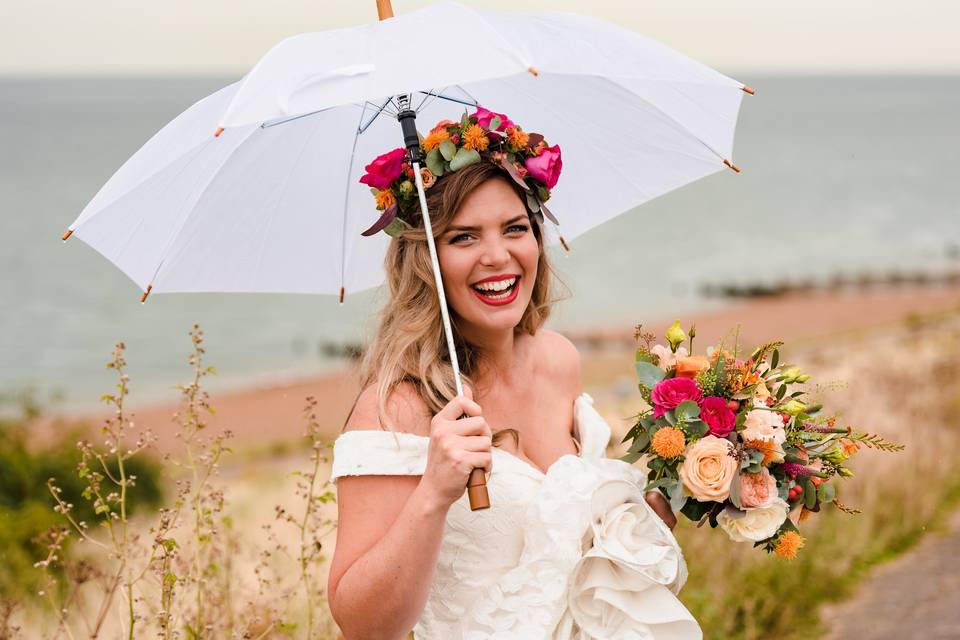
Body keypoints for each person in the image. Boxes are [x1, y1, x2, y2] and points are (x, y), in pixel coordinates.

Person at [327, 111, 701, 639]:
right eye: (463, 238)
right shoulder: (396, 409)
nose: (498, 256)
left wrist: (647, 515)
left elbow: (560, 546)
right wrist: (433, 494)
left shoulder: (558, 360)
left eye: (514, 229)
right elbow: (361, 624)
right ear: (424, 262)